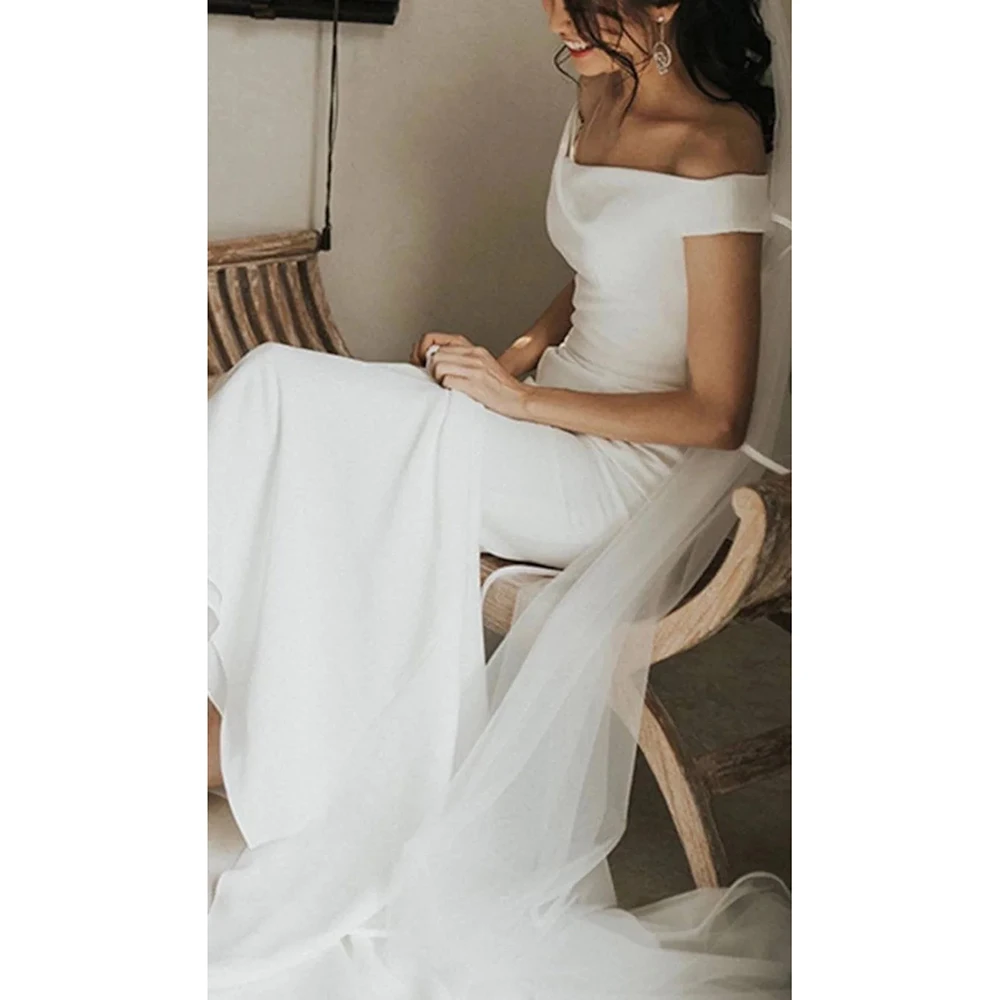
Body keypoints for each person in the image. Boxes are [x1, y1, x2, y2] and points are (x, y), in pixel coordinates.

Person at [207, 1, 792, 996]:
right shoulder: (598, 93)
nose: (556, 18)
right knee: (281, 413)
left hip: (619, 473)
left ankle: (257, 740)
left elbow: (717, 411)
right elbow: (604, 264)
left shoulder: (717, 142)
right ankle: (247, 719)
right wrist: (516, 354)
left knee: (275, 390)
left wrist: (517, 399)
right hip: (543, 416)